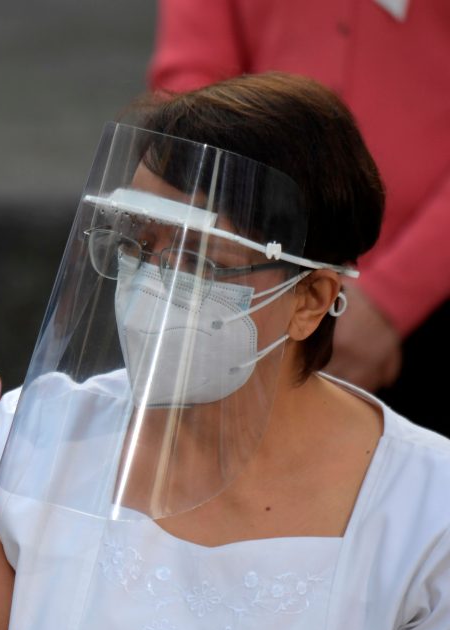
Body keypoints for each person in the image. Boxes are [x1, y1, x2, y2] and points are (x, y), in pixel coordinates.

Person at [0, 73, 450, 630]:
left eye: (201, 259)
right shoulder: (22, 446)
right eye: (138, 243)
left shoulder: (428, 512)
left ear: (311, 298)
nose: (153, 283)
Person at [147, 0, 450, 436]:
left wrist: (393, 300)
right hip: (249, 278)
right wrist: (235, 260)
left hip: (430, 295)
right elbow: (191, 87)